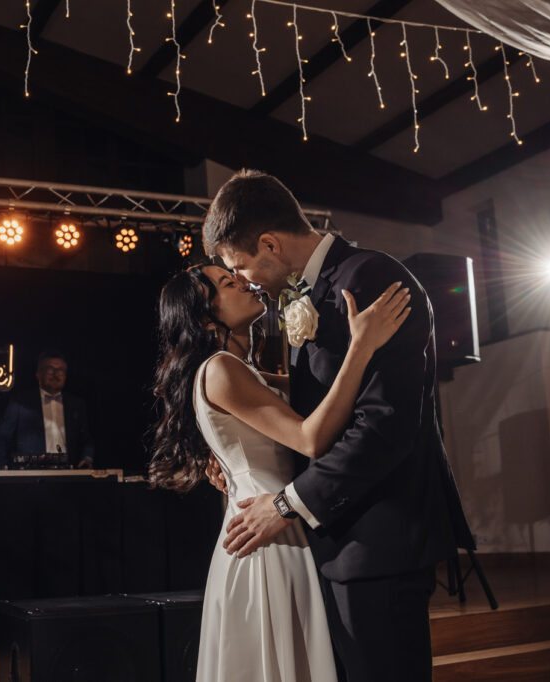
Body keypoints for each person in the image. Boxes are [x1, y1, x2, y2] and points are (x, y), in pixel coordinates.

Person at [204, 169, 473, 682]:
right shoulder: (306, 293)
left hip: (379, 540)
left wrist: (286, 503)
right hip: (332, 541)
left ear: (269, 243)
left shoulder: (370, 278)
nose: (244, 280)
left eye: (240, 265)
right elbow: (310, 412)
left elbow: (383, 425)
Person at [149, 263, 411, 681]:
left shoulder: (241, 368)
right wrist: (361, 346)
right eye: (227, 283)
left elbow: (315, 396)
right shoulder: (220, 368)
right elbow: (310, 438)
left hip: (275, 523)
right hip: (269, 535)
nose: (243, 282)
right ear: (206, 318)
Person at [0, 350, 94, 468]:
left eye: (60, 370)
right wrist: (2, 471)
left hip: (68, 474)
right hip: (31, 475)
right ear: (38, 374)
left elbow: (86, 440)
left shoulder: (76, 404)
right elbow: (0, 440)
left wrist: (87, 458)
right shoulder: (20, 403)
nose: (55, 374)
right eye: (50, 369)